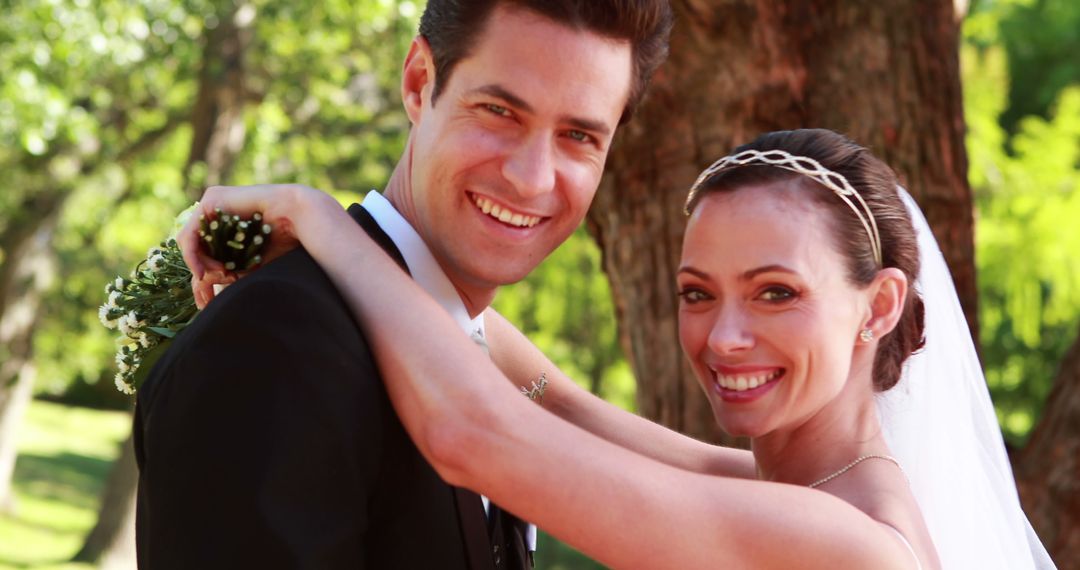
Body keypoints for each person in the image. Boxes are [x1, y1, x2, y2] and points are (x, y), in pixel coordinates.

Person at [183, 129, 1056, 569]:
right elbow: (550, 398)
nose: (724, 337)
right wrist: (376, 244)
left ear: (879, 306)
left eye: (776, 292)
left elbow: (477, 437)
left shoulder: (849, 543)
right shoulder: (782, 485)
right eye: (696, 293)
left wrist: (321, 221)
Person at [132, 1, 673, 568]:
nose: (532, 177)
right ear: (419, 83)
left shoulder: (481, 354)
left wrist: (315, 215)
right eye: (499, 111)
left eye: (579, 136)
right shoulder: (274, 340)